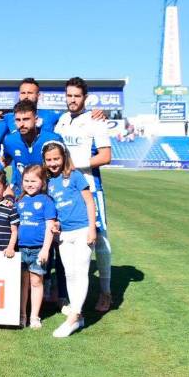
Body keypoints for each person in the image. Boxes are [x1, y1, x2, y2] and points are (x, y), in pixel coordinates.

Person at [55, 76, 113, 312]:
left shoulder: (95, 121)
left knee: (100, 239)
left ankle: (106, 293)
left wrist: (74, 164)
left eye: (77, 96)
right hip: (65, 189)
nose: (72, 100)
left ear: (85, 98)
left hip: (89, 186)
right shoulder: (62, 121)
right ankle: (67, 293)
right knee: (65, 238)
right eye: (69, 95)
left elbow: (105, 156)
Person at [43, 142, 97, 337]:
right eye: (49, 160)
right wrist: (56, 224)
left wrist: (92, 228)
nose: (53, 163)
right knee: (70, 274)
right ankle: (79, 316)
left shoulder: (75, 176)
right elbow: (54, 210)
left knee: (81, 271)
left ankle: (74, 315)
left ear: (64, 157)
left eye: (56, 159)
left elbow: (90, 202)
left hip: (83, 230)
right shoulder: (49, 182)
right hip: (64, 234)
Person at [15, 164, 57, 329]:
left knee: (36, 282)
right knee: (23, 283)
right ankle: (22, 314)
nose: (29, 184)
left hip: (38, 250)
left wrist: (46, 249)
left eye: (34, 181)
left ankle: (34, 316)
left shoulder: (47, 201)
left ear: (43, 182)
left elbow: (49, 228)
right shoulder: (20, 201)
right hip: (21, 249)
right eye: (26, 180)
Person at [3, 100, 63, 196]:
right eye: (18, 120)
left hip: (51, 194)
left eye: (26, 119)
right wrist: (6, 186)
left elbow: (66, 167)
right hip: (22, 196)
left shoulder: (52, 139)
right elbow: (3, 163)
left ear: (36, 119)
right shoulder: (9, 140)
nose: (21, 124)